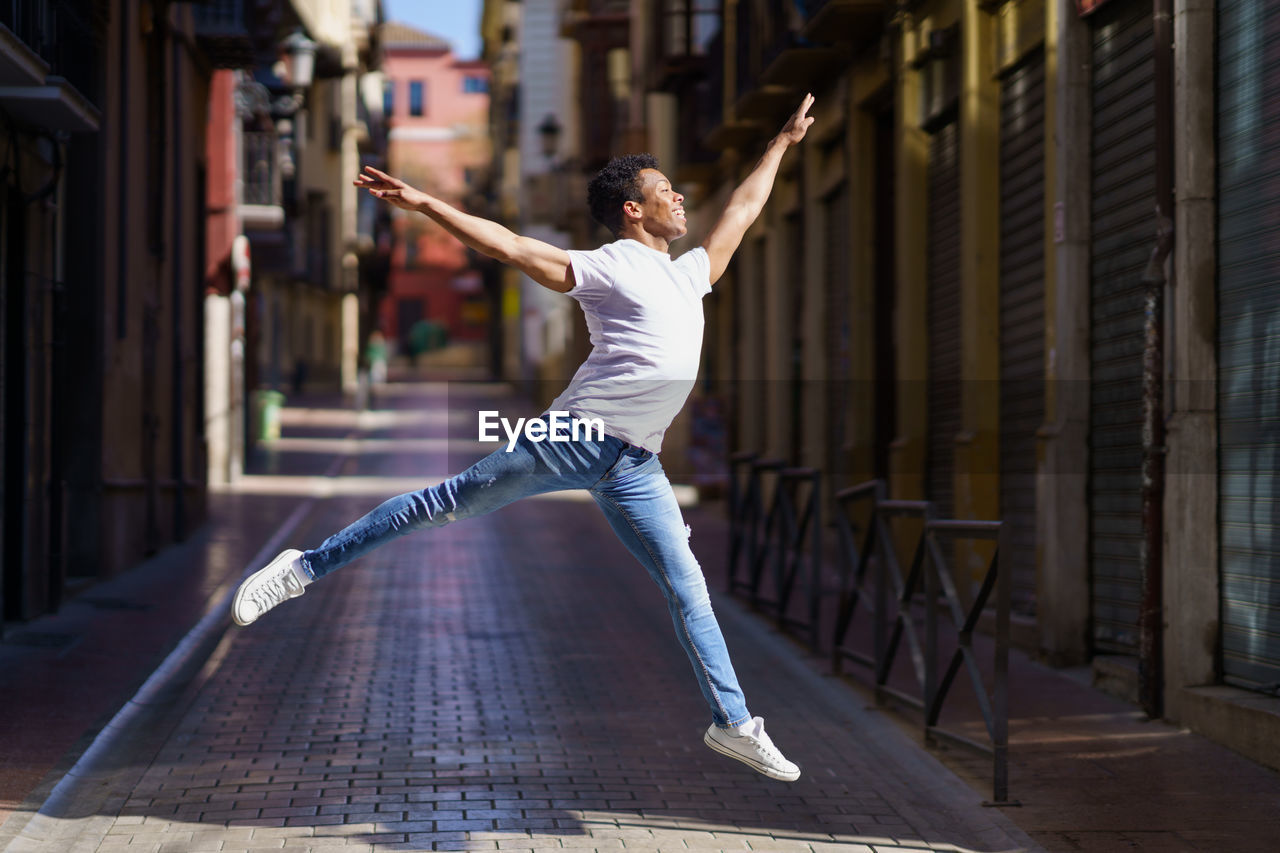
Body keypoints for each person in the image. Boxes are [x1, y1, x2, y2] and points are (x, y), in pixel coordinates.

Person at [232, 94, 817, 782]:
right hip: (573, 437)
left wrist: (780, 143)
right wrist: (424, 206)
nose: (681, 198)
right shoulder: (606, 267)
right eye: (665, 192)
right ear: (633, 209)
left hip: (636, 464)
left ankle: (733, 722)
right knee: (439, 503)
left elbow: (742, 212)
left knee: (689, 589)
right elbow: (507, 244)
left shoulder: (689, 274)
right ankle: (302, 568)